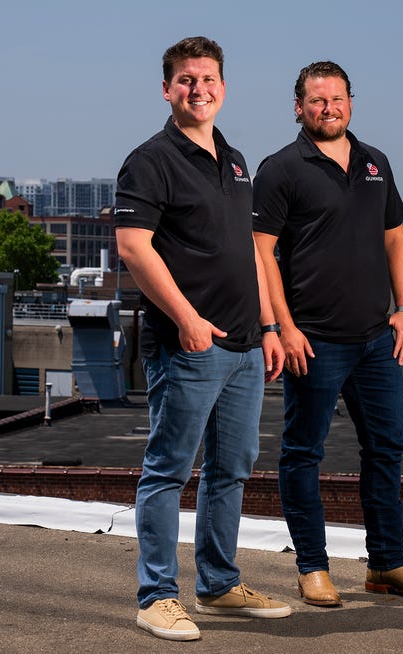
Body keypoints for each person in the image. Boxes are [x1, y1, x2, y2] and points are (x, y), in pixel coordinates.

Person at [114, 36, 290, 641]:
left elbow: (246, 251)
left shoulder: (235, 159)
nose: (199, 89)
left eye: (209, 79)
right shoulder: (150, 160)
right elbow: (133, 248)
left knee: (231, 469)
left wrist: (268, 327)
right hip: (189, 344)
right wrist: (187, 318)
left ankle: (217, 584)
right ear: (167, 90)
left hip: (244, 346)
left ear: (224, 87)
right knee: (168, 469)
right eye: (186, 80)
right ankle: (156, 595)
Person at [252, 61, 403, 607]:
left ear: (351, 103)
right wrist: (282, 327)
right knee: (303, 454)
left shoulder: (374, 162)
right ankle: (312, 569)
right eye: (317, 101)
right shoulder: (281, 169)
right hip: (312, 340)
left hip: (374, 342)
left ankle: (386, 565)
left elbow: (395, 240)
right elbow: (260, 253)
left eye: (337, 99)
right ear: (299, 107)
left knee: (387, 449)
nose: (328, 108)